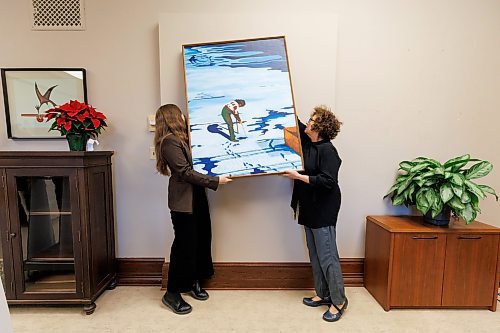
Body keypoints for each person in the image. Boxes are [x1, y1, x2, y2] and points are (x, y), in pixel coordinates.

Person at [154, 104, 232, 315]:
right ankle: (171, 293)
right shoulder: (169, 142)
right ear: (172, 117)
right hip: (184, 202)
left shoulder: (182, 139)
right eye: (180, 112)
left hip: (196, 197)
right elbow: (185, 172)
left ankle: (192, 281)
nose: (183, 115)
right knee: (183, 246)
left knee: (200, 240)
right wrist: (216, 180)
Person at [282, 105, 347, 322]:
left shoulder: (328, 150)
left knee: (327, 255)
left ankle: (338, 301)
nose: (308, 122)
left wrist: (298, 177)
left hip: (323, 207)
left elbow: (328, 182)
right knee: (315, 253)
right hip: (309, 205)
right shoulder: (309, 141)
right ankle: (323, 293)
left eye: (312, 120)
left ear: (319, 127)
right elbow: (296, 122)